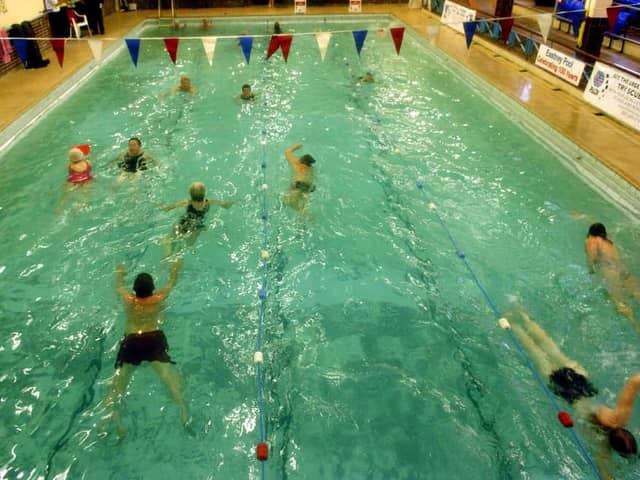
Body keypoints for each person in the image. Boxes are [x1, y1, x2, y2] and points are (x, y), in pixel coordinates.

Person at [507, 307, 639, 475]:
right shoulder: (602, 444)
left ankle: (523, 315)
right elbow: (603, 469)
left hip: (583, 383)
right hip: (569, 395)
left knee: (550, 347)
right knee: (537, 354)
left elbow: (634, 381)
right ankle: (513, 325)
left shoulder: (620, 416)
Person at [102, 258, 189, 437]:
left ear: (134, 290)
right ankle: (183, 411)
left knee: (117, 386)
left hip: (131, 341)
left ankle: (111, 421)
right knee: (170, 380)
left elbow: (118, 287)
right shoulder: (158, 298)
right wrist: (175, 267)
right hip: (153, 339)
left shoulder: (129, 300)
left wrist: (120, 273)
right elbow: (172, 283)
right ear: (152, 288)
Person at [585, 223, 640, 328]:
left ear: (591, 233)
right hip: (622, 268)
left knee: (619, 302)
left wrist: (591, 270)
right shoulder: (609, 241)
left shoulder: (592, 240)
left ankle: (636, 326)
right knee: (637, 294)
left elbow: (592, 257)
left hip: (610, 271)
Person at [160, 182, 233, 257]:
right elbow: (225, 205)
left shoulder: (187, 202)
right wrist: (233, 202)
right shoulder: (209, 202)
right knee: (184, 248)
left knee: (168, 240)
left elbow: (169, 208)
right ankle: (178, 258)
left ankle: (167, 254)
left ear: (190, 195)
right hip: (197, 226)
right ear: (204, 194)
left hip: (184, 222)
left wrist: (162, 206)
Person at [56, 146, 93, 212]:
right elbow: (90, 169)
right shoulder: (87, 163)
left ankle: (60, 207)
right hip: (86, 179)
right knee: (86, 194)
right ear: (82, 156)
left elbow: (69, 172)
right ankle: (82, 204)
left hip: (73, 180)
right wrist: (89, 155)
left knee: (66, 194)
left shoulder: (70, 165)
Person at [284, 142, 315, 216]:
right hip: (308, 187)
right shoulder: (311, 169)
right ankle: (306, 214)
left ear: (301, 160)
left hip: (298, 184)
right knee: (303, 207)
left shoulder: (297, 164)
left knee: (286, 201)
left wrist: (296, 146)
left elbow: (287, 152)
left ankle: (304, 213)